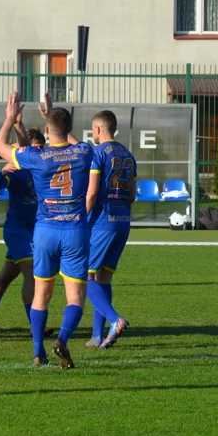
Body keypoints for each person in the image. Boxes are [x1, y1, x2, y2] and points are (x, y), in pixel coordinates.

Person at [0, 91, 92, 368]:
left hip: (45, 231)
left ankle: (38, 352)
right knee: (75, 297)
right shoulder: (84, 152)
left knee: (41, 294)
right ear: (71, 128)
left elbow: (0, 145)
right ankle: (62, 338)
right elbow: (72, 141)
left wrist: (10, 119)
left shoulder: (37, 156)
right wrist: (53, 118)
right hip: (75, 231)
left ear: (46, 131)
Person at [0, 127, 43, 332]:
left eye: (41, 148)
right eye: (35, 148)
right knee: (32, 274)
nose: (38, 152)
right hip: (18, 231)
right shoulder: (16, 171)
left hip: (34, 230)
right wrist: (2, 172)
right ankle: (36, 325)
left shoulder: (42, 169)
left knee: (6, 276)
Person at [84, 110, 135, 349]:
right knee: (104, 277)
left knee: (85, 277)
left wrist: (81, 217)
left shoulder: (97, 153)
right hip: (123, 221)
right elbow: (133, 195)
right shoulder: (128, 154)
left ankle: (114, 320)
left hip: (102, 221)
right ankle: (97, 336)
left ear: (97, 129)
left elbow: (92, 193)